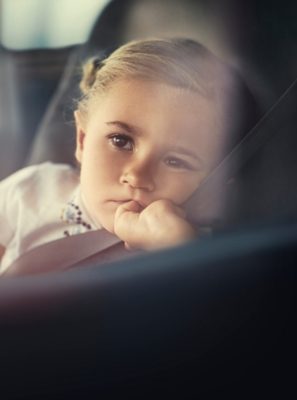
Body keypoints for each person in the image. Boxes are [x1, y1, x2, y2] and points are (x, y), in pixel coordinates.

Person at [0, 37, 258, 273]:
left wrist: (175, 246)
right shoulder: (30, 191)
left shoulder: (196, 246)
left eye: (175, 161)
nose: (137, 176)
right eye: (120, 141)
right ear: (83, 139)